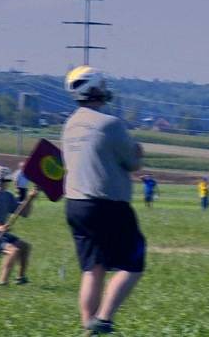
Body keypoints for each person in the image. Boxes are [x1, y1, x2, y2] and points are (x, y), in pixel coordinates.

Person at [62, 65, 146, 335]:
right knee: (133, 261)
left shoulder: (69, 125)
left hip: (75, 204)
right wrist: (138, 152)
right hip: (108, 204)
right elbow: (132, 162)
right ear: (98, 89)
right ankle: (104, 319)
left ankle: (87, 327)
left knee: (92, 268)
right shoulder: (110, 124)